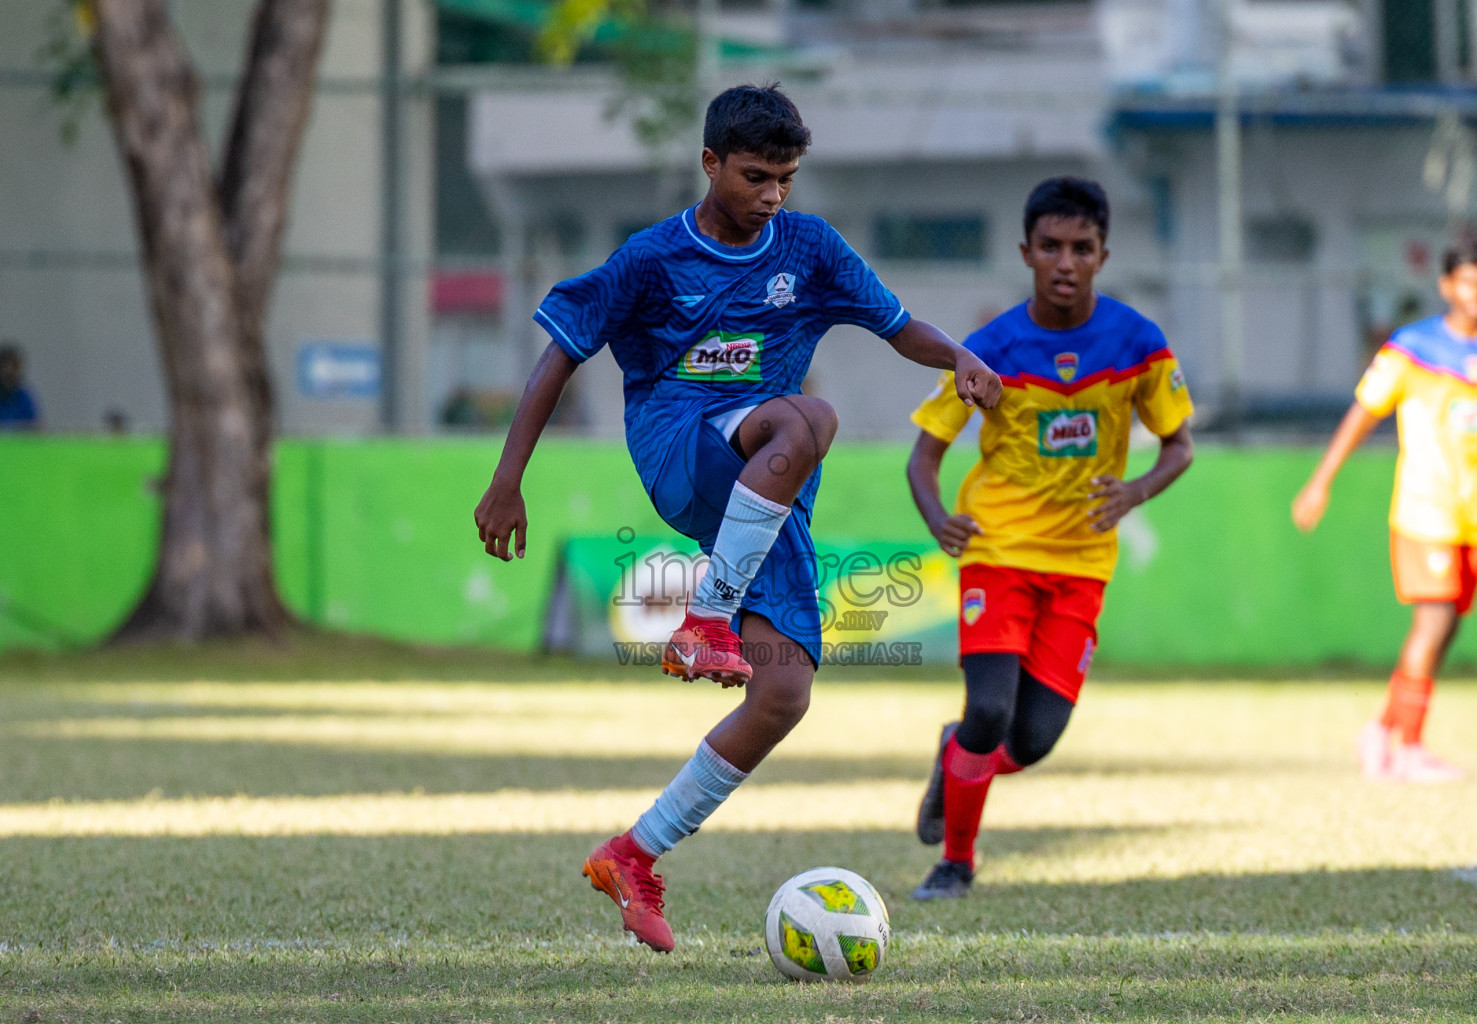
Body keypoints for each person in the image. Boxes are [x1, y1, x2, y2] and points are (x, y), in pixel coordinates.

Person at [473, 84, 1002, 951]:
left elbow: (898, 327)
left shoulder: (810, 247)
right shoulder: (649, 260)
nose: (772, 196)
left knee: (784, 695)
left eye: (786, 179)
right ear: (711, 163)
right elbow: (560, 352)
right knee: (811, 417)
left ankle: (634, 853)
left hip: (768, 484)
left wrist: (961, 357)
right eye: (755, 176)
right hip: (682, 450)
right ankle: (705, 617)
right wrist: (507, 479)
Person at [905, 177, 1195, 900]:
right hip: (998, 551)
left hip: (1081, 564)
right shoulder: (988, 347)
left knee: (1030, 740)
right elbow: (925, 456)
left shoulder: (1139, 344)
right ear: (1026, 252)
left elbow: (1180, 445)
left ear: (1102, 255)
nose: (1065, 262)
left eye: (1082, 248)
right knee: (990, 711)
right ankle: (956, 863)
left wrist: (1134, 492)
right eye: (1051, 247)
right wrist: (939, 518)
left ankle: (956, 760)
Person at [1293, 234, 1477, 783]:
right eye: (1468, 281)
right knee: (1435, 618)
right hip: (1426, 506)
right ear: (1447, 285)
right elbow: (1364, 412)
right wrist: (1320, 482)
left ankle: (1381, 730)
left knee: (1447, 629)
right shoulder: (1412, 347)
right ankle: (1409, 747)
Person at [0, 343, 41, 430]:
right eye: (4, 368)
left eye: (14, 368)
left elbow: (35, 428)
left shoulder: (24, 397)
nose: (9, 372)